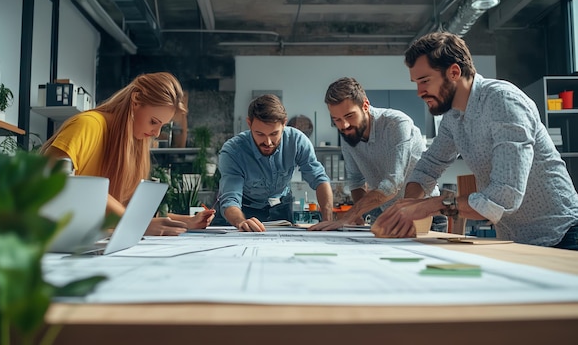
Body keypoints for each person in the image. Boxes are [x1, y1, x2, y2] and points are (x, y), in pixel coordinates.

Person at [372, 32, 578, 250]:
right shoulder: (453, 117)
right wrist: (408, 208)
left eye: (424, 81)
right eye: (416, 83)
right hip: (517, 240)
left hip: (563, 235)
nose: (419, 92)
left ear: (454, 72)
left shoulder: (504, 101)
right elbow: (427, 168)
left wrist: (427, 206)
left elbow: (505, 196)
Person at [41, 72, 215, 236]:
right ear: (136, 100)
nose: (156, 133)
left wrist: (187, 222)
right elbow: (55, 180)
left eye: (162, 126)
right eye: (153, 122)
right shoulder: (88, 125)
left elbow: (122, 208)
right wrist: (135, 224)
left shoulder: (131, 145)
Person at [310, 77, 428, 231]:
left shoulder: (397, 125)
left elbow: (392, 184)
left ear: (365, 105)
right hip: (387, 216)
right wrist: (358, 216)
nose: (344, 125)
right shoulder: (347, 133)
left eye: (349, 116)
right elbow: (355, 180)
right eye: (336, 120)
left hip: (424, 215)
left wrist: (348, 216)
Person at [214, 94, 333, 232]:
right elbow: (230, 199)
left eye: (274, 134)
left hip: (281, 206)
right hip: (244, 209)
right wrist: (240, 221)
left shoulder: (297, 141)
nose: (268, 142)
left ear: (284, 124)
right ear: (249, 123)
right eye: (260, 134)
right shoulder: (233, 151)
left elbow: (319, 179)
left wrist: (327, 219)